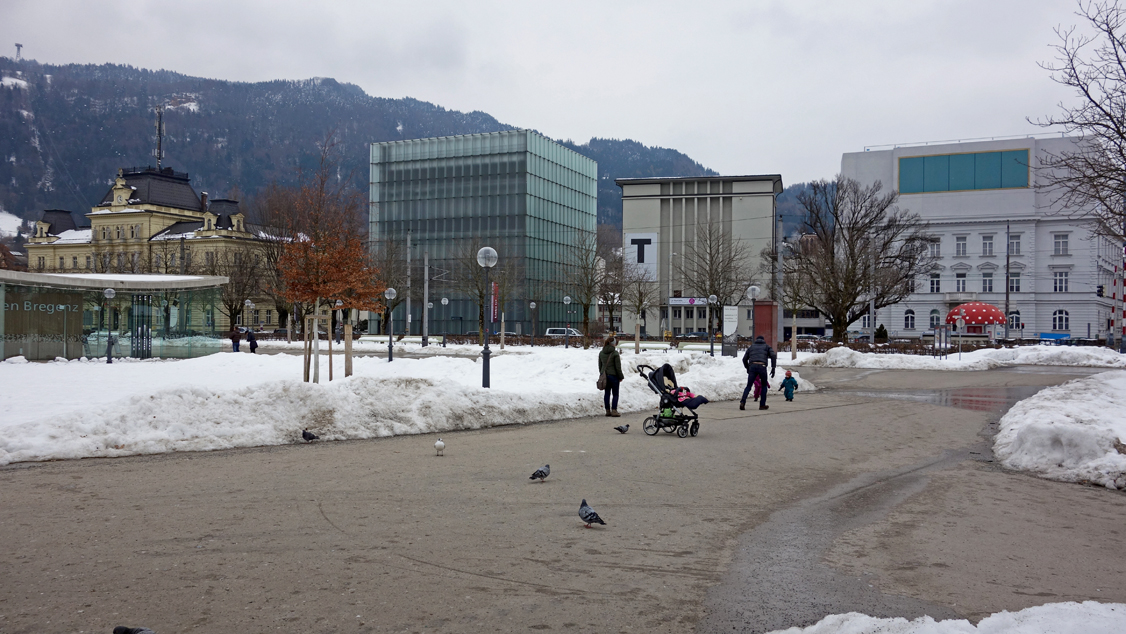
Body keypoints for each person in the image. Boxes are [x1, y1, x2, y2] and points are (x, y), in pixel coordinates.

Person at [741, 335, 776, 410]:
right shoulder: (767, 347)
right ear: (763, 340)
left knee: (749, 385)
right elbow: (773, 356)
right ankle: (762, 405)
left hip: (752, 366)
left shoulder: (751, 347)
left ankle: (743, 402)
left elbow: (744, 359)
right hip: (762, 366)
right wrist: (773, 368)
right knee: (764, 385)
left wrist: (748, 368)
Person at [598, 334, 625, 417]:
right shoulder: (615, 353)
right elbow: (618, 367)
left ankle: (607, 411)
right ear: (613, 344)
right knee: (615, 394)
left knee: (607, 393)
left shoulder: (601, 353)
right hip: (614, 377)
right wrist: (621, 377)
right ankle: (614, 410)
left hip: (605, 376)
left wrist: (602, 374)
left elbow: (600, 366)